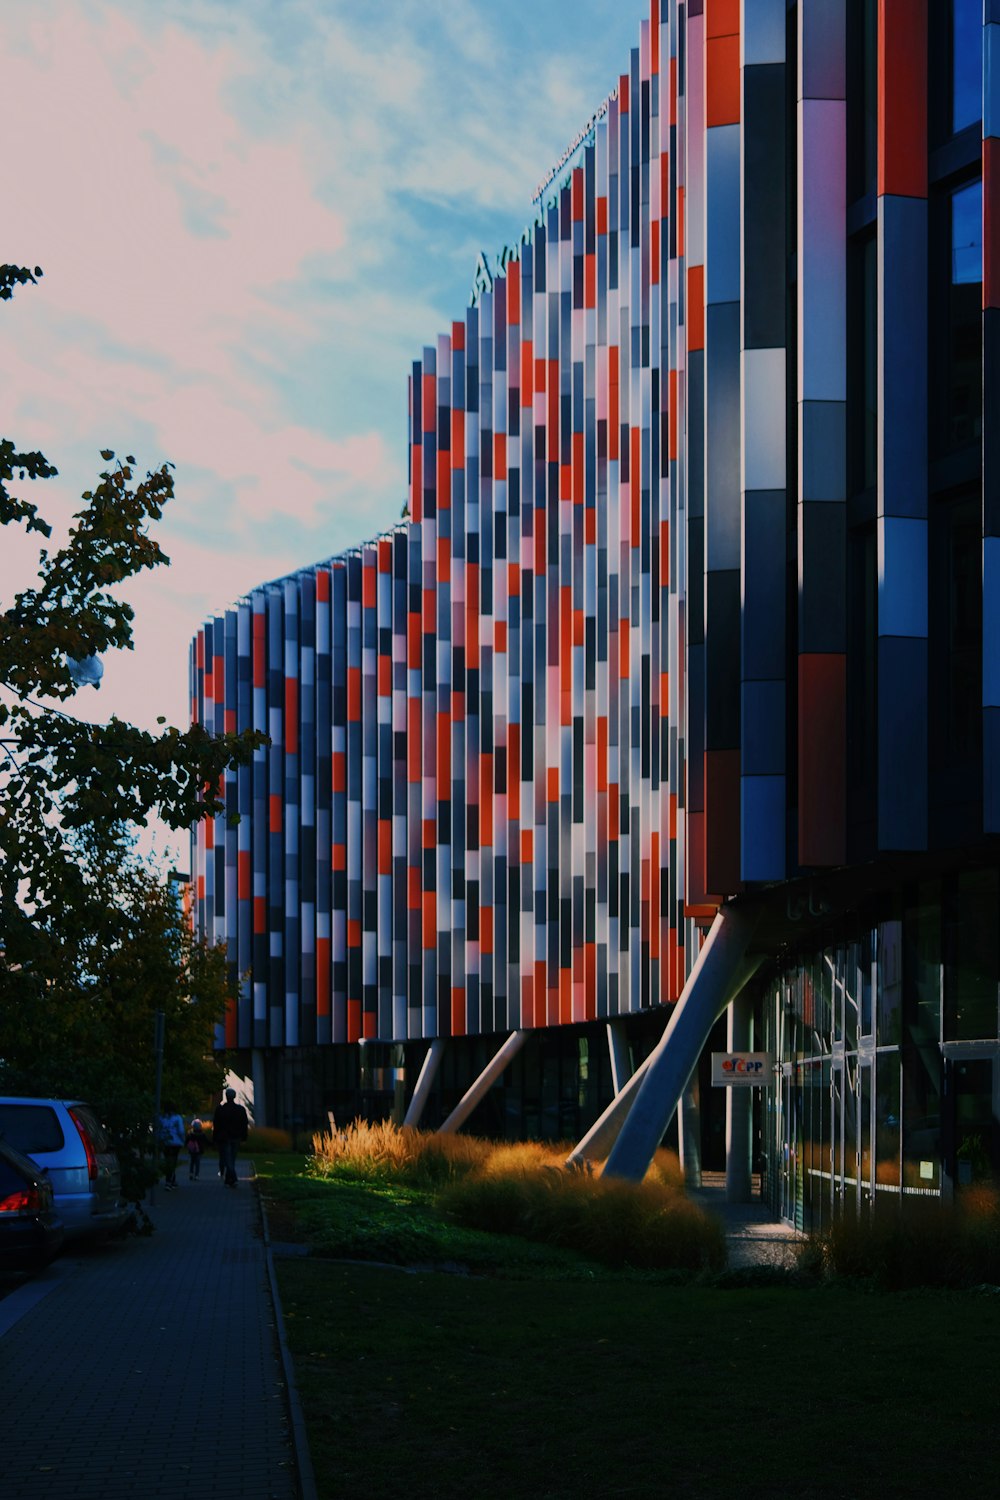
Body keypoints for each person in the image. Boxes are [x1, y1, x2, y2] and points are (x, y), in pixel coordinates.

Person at [212, 1087, 249, 1188]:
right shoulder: (240, 1110)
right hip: (236, 1137)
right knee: (232, 1158)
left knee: (228, 1158)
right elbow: (244, 1124)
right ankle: (231, 1179)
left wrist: (215, 1138)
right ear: (234, 1097)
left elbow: (216, 1125)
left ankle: (231, 1179)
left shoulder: (220, 1109)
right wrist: (244, 1137)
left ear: (226, 1097)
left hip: (224, 1137)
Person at [158, 1104, 186, 1191]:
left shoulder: (161, 1118)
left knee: (167, 1160)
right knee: (173, 1161)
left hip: (165, 1142)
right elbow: (181, 1131)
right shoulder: (177, 1118)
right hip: (176, 1142)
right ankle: (169, 1180)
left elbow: (158, 1130)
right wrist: (183, 1140)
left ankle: (171, 1179)